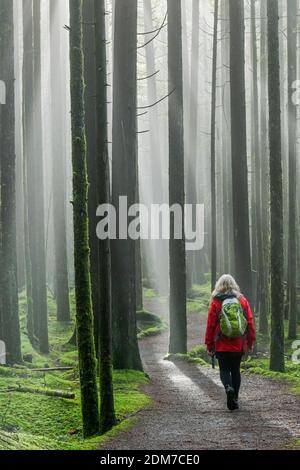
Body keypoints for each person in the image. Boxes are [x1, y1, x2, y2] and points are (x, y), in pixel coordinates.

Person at [205, 274, 256, 411]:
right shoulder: (242, 300)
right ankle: (235, 399)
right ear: (234, 285)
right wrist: (250, 343)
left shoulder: (216, 302)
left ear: (219, 285)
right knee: (235, 370)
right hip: (238, 344)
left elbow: (210, 325)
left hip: (221, 344)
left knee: (224, 370)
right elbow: (250, 322)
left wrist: (209, 344)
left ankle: (228, 388)